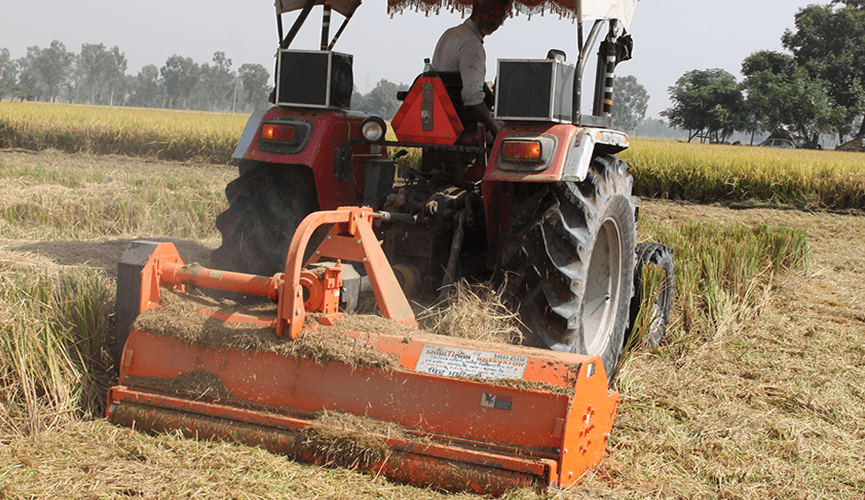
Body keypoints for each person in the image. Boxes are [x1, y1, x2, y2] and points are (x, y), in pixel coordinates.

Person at [431, 0, 511, 138]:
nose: (495, 20)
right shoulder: (471, 44)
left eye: (501, 15)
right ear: (476, 8)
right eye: (491, 11)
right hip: (459, 124)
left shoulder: (451, 33)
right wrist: (497, 130)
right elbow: (472, 100)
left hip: (439, 117)